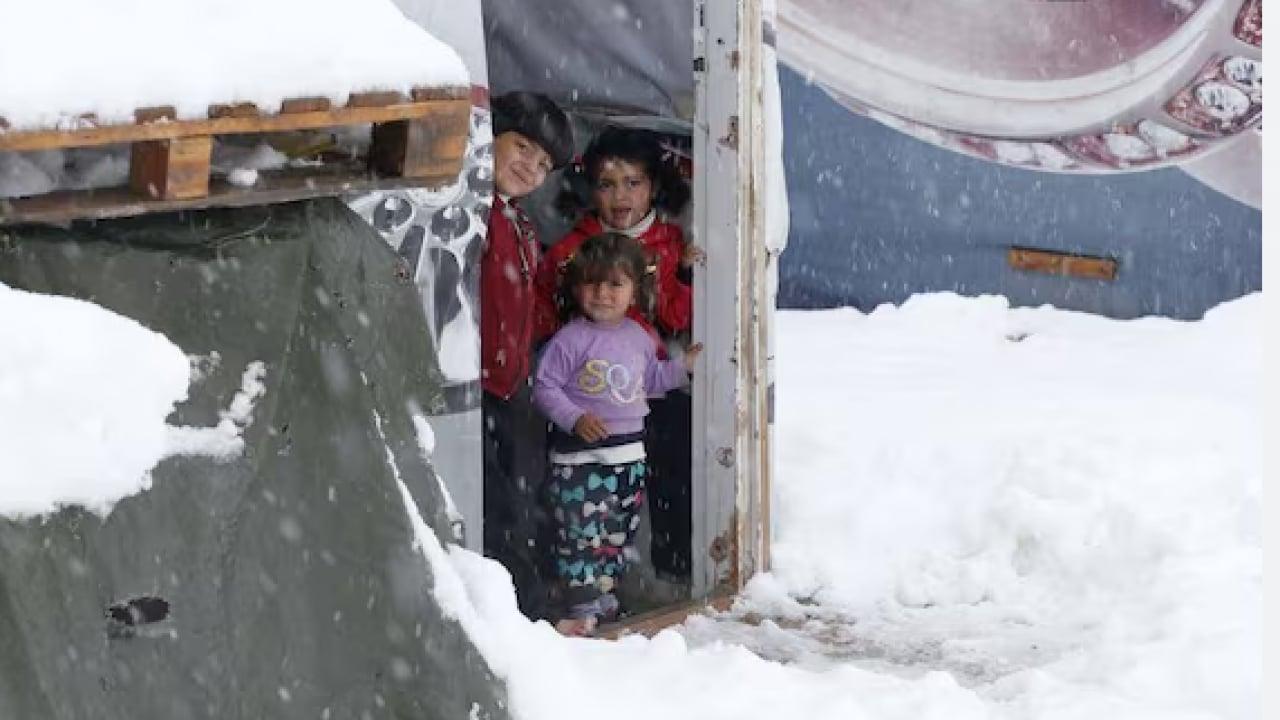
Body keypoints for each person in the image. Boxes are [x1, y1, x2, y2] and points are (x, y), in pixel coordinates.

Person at [532, 126, 703, 580]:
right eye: (607, 184)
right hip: (588, 393)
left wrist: (683, 275)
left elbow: (674, 317)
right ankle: (576, 582)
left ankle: (672, 572)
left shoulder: (667, 245)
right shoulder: (575, 246)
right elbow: (544, 306)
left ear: (654, 187)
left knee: (668, 478)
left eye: (633, 183)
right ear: (591, 189)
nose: (620, 196)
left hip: (649, 385)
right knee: (582, 493)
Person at [532, 233, 702, 635]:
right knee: (580, 537)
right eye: (592, 283)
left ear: (634, 291)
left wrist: (683, 368)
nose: (602, 294)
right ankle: (577, 610)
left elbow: (652, 381)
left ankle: (604, 602)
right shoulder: (571, 339)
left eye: (615, 284)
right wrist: (574, 418)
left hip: (628, 458)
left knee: (616, 534)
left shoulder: (639, 337)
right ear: (577, 288)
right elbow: (545, 387)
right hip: (581, 460)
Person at [480, 91, 574, 625]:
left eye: (543, 165)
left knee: (525, 501)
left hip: (512, 389)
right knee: (499, 512)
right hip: (474, 390)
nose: (530, 168)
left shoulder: (521, 225)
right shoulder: (471, 214)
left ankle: (533, 607)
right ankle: (530, 618)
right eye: (521, 147)